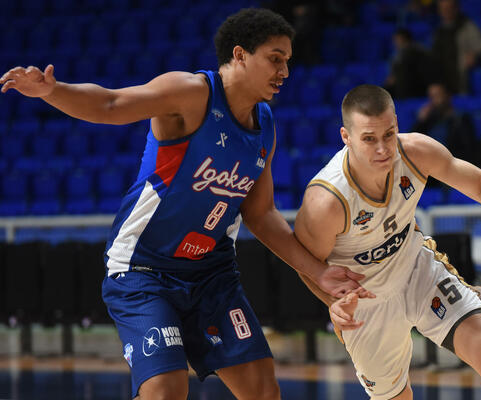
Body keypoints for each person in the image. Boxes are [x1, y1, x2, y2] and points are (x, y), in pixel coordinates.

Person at [0, 8, 372, 400]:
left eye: (287, 61)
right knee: (166, 391)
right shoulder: (191, 93)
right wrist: (52, 91)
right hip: (144, 269)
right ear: (240, 54)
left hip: (212, 273)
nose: (284, 71)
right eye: (275, 59)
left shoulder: (264, 124)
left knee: (263, 390)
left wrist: (319, 272)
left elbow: (261, 215)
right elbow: (111, 104)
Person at [294, 84, 481, 399]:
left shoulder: (416, 152)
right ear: (346, 136)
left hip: (417, 271)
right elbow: (305, 263)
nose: (382, 149)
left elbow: (480, 183)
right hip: (365, 301)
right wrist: (332, 302)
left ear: (397, 124)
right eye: (369, 139)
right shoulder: (326, 201)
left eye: (388, 134)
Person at [431, 0, 481, 93]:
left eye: (448, 8)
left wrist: (475, 54)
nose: (445, 12)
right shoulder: (438, 32)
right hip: (444, 82)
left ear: (456, 9)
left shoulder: (467, 27)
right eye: (442, 9)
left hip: (461, 81)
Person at [412, 83, 476, 164]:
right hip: (431, 163)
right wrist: (421, 121)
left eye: (438, 95)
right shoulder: (429, 120)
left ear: (448, 95)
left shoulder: (461, 119)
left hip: (452, 164)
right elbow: (414, 142)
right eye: (431, 97)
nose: (434, 100)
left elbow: (468, 149)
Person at [383, 28, 434, 99]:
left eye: (396, 39)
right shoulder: (398, 54)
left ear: (403, 38)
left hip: (415, 89)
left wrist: (396, 78)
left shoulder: (417, 52)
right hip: (403, 90)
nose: (394, 42)